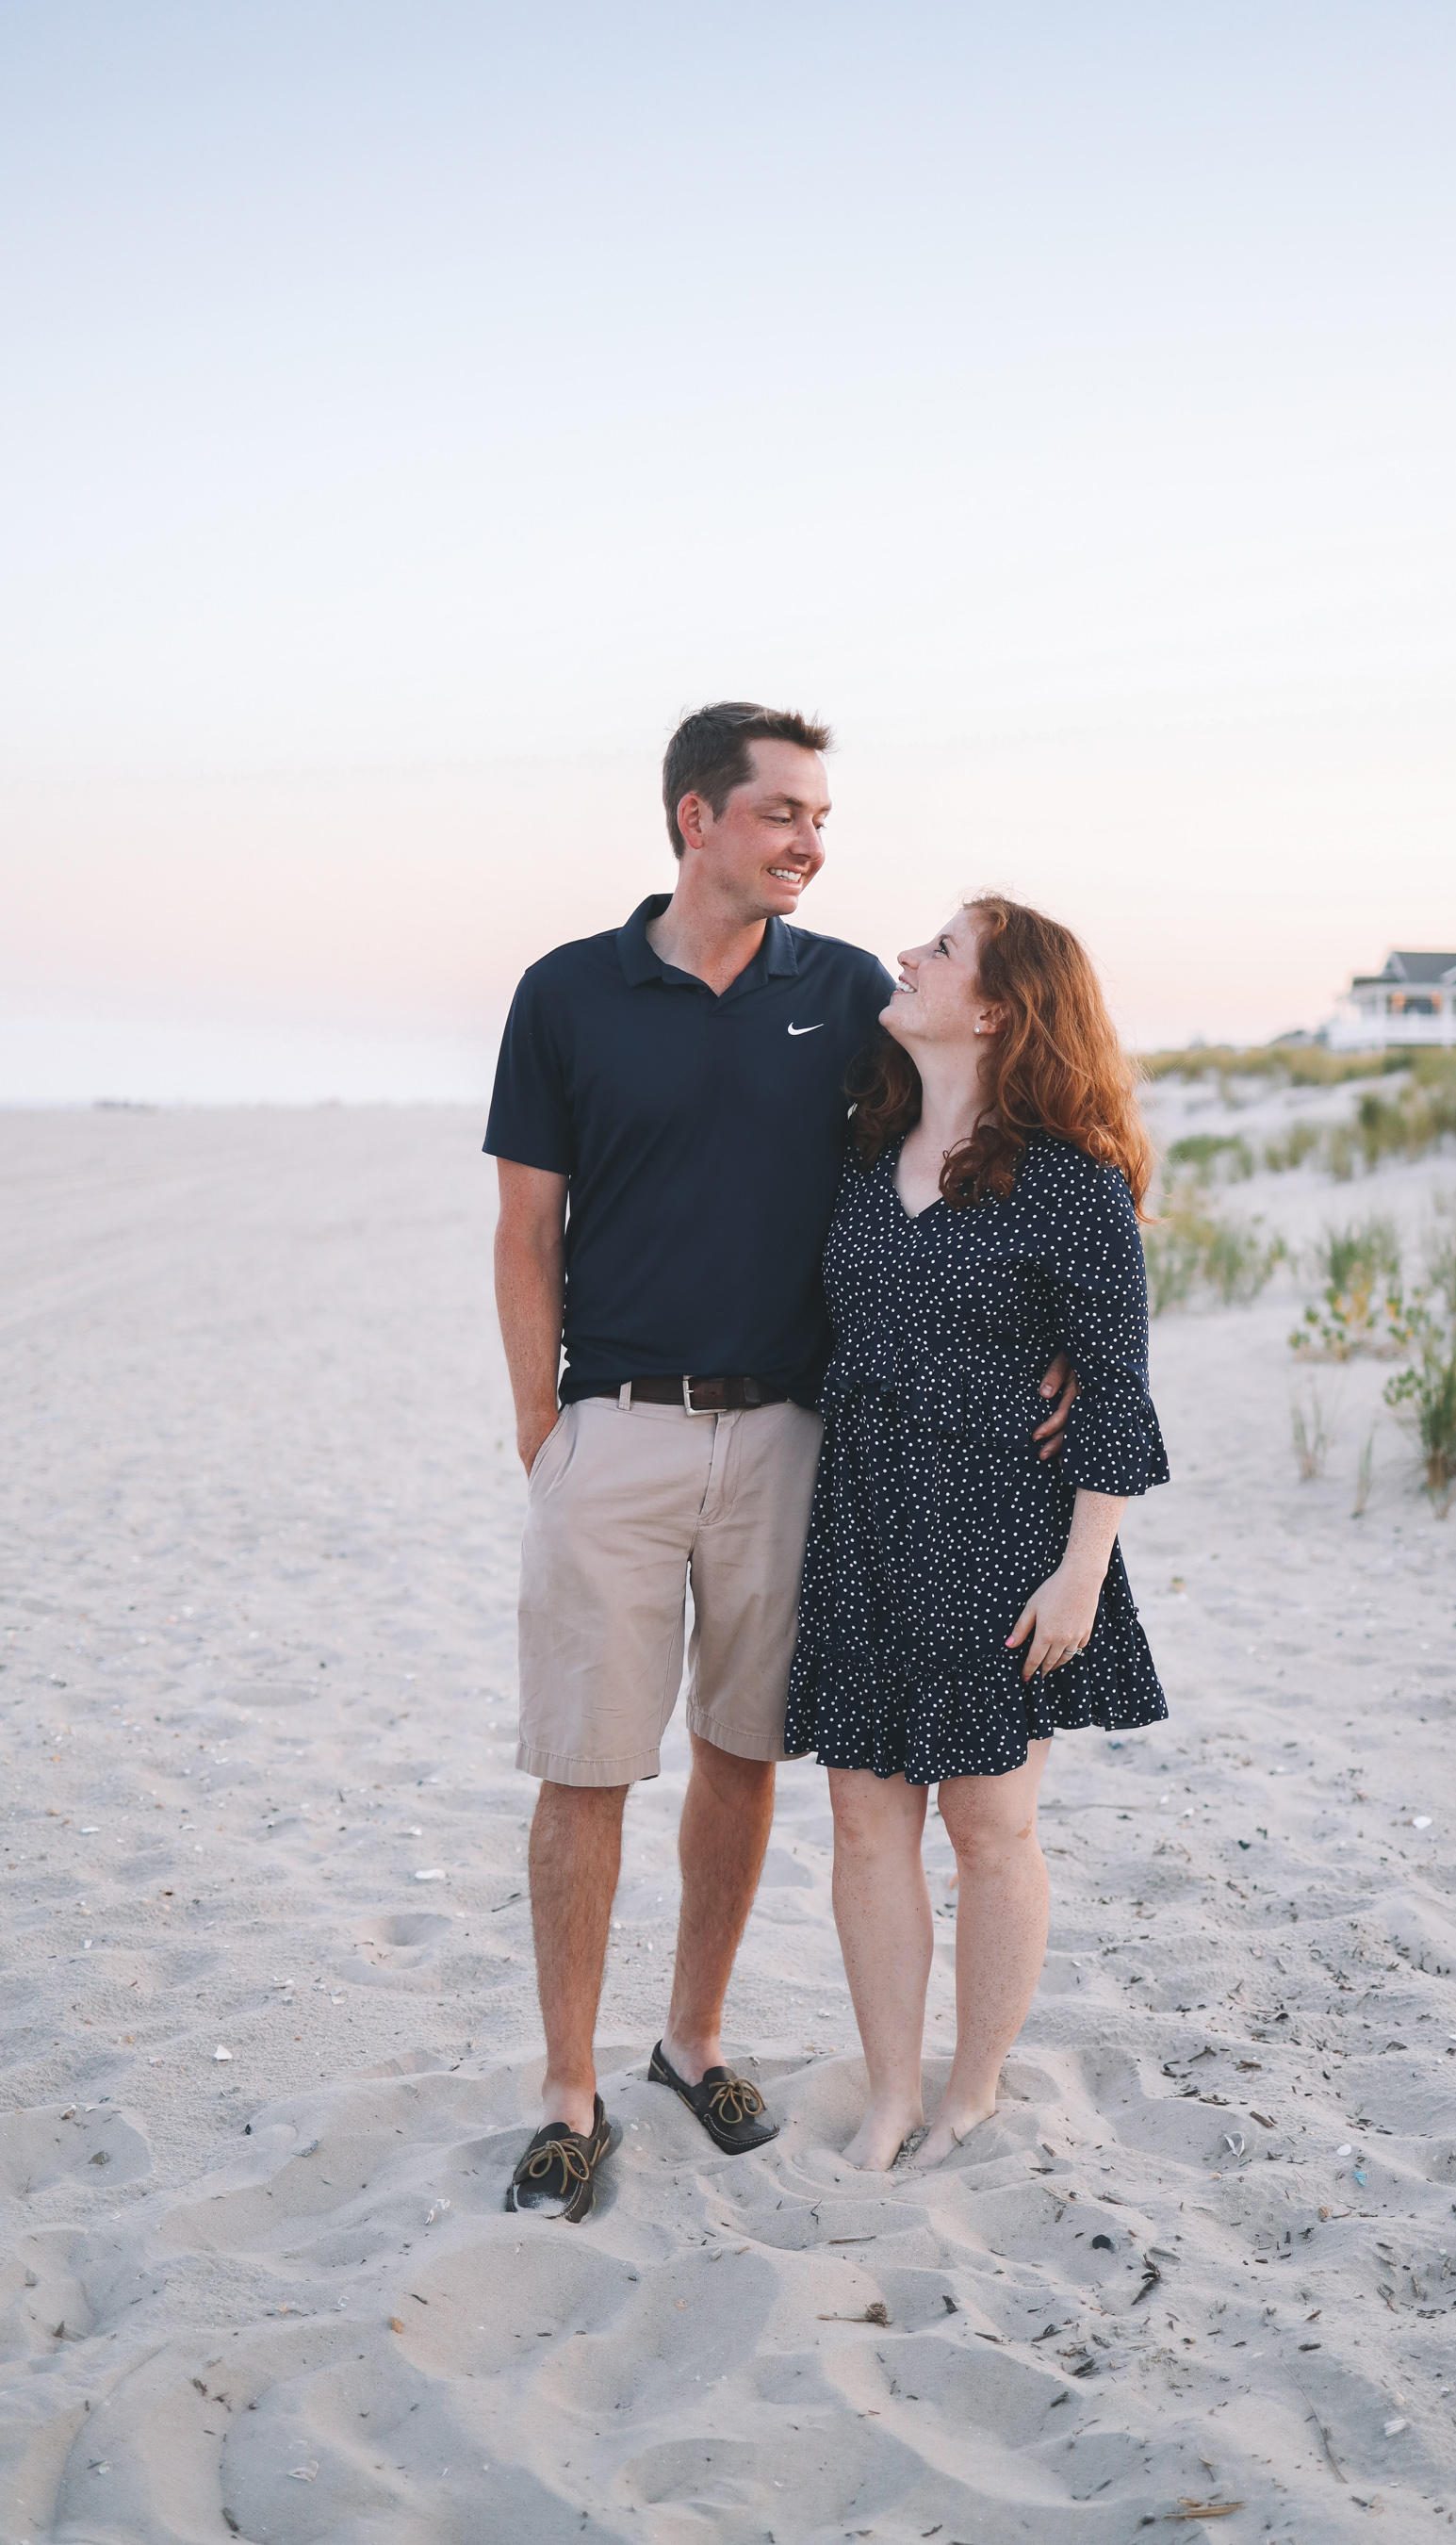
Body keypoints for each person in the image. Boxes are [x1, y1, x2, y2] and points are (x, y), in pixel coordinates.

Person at [483, 707, 1076, 2220]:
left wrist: (1063, 1325)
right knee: (586, 1764)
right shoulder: (565, 994)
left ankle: (692, 2043)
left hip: (797, 1441)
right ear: (697, 820)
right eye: (784, 815)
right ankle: (569, 2090)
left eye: (822, 819)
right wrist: (544, 1433)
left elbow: (998, 1122)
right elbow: (524, 1229)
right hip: (612, 1427)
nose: (814, 844)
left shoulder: (850, 997)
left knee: (743, 1755)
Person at [784, 896, 1170, 2172]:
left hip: (1005, 1530)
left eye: (940, 949)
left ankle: (978, 2086)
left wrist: (1082, 1575)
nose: (907, 956)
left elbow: (1114, 1384)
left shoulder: (1070, 1183)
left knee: (989, 1826)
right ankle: (892, 2087)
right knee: (863, 1821)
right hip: (860, 1522)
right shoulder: (859, 1151)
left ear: (997, 1007)